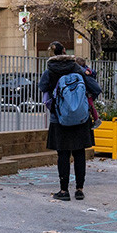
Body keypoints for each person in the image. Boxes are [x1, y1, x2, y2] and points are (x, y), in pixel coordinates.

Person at [38, 41, 101, 201]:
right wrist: (82, 103)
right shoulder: (77, 69)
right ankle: (79, 190)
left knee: (63, 155)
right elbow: (96, 88)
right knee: (80, 154)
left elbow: (42, 88)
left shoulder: (49, 71)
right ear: (66, 53)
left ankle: (64, 191)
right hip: (81, 119)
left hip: (59, 119)